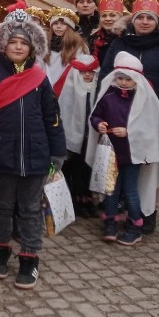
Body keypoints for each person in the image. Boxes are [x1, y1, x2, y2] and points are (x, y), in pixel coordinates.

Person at [0, 6, 64, 290]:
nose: (18, 46)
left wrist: (58, 151)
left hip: (35, 153)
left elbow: (52, 116)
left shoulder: (39, 78)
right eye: (13, 42)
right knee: (1, 206)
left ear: (32, 47)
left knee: (31, 209)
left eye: (24, 43)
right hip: (0, 153)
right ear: (3, 46)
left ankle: (29, 259)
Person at [99, 0, 159, 233]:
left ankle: (146, 213)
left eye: (150, 18)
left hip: (155, 118)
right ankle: (120, 212)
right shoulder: (120, 43)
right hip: (120, 116)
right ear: (132, 21)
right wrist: (102, 110)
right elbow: (106, 75)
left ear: (157, 22)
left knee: (148, 167)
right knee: (122, 166)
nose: (145, 22)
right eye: (141, 18)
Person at [87, 52, 159, 245]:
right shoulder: (108, 97)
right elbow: (96, 115)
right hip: (111, 153)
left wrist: (129, 132)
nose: (124, 82)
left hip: (133, 154)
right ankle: (110, 222)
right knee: (111, 189)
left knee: (131, 190)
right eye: (120, 78)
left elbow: (150, 126)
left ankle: (135, 226)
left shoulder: (144, 100)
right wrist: (99, 124)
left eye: (128, 79)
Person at [57, 53, 100, 218]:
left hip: (91, 136)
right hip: (73, 138)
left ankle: (86, 199)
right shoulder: (69, 88)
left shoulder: (98, 89)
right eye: (83, 72)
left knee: (86, 170)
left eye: (91, 72)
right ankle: (72, 200)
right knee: (72, 169)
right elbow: (65, 113)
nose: (87, 75)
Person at [45, 7, 88, 88]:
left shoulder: (77, 46)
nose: (58, 26)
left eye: (63, 24)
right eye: (55, 23)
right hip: (47, 85)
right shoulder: (45, 44)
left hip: (67, 86)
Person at [89, 0, 125, 66]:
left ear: (120, 18)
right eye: (104, 16)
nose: (108, 19)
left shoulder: (125, 37)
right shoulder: (93, 38)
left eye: (112, 15)